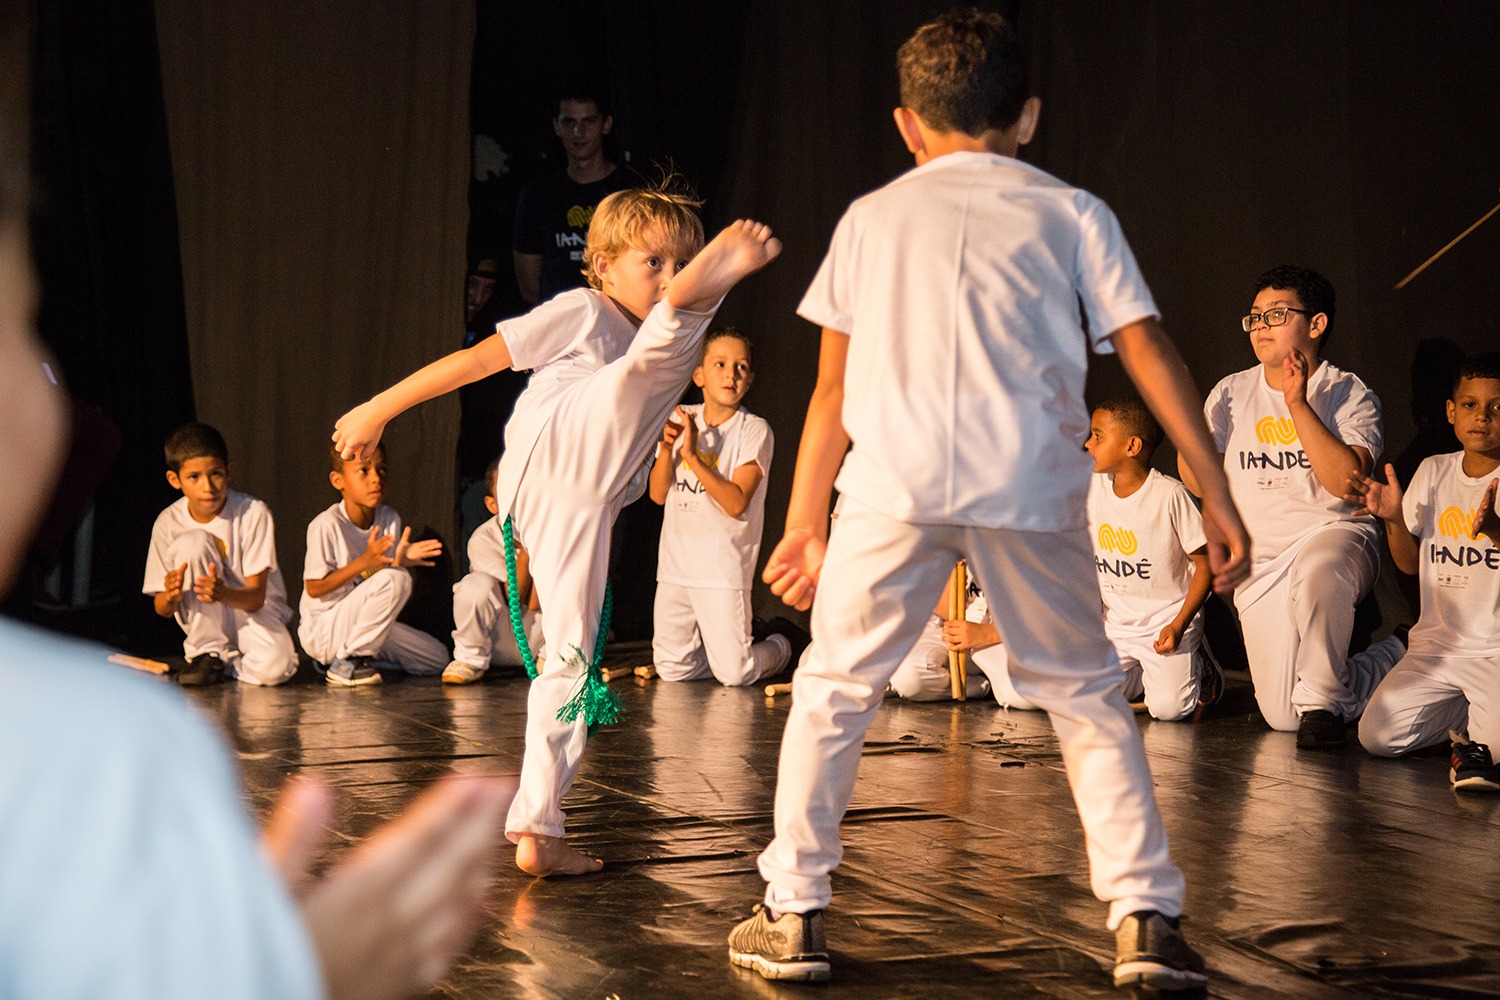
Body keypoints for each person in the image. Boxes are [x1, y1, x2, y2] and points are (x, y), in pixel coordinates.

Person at [727, 10, 1249, 991]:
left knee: (837, 690)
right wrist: (1213, 489)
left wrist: (802, 521)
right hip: (1032, 485)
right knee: (1089, 697)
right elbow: (1146, 349)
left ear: (907, 126)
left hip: (894, 484)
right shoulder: (1074, 212)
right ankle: (1144, 919)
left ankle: (793, 912)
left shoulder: (871, 218)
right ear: (1031, 117)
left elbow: (831, 390)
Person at [0, 89, 511, 1000]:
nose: (44, 398)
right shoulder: (100, 745)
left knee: (412, 648)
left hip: (273, 623)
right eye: (21, 344)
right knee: (321, 638)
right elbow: (284, 589)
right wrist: (293, 970)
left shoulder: (271, 513)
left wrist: (258, 579)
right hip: (302, 624)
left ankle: (382, 663)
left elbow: (265, 592)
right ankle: (335, 663)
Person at [332, 189, 781, 877]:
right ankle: (707, 295)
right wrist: (378, 409)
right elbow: (479, 361)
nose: (662, 274)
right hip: (557, 444)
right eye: (653, 261)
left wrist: (648, 442)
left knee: (569, 656)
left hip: (579, 498)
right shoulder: (583, 309)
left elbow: (642, 472)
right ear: (599, 266)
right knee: (658, 356)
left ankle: (539, 824)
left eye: (680, 263)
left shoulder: (646, 361)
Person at [1180, 265, 1405, 747]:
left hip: (1335, 539)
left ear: (1316, 324)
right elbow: (1199, 480)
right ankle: (1396, 655)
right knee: (1283, 715)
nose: (1260, 326)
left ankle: (1324, 703)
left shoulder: (1347, 391)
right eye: (1255, 317)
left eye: (1276, 315)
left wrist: (1298, 403)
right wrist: (1185, 425)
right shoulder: (1231, 391)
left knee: (1320, 568)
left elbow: (1346, 483)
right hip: (1260, 560)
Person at [1348, 353, 1500, 789]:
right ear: (1451, 411)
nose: (1482, 417)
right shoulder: (1433, 470)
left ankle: (1477, 726)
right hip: (1436, 648)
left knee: (1489, 756)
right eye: (1470, 405)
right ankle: (1461, 715)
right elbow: (1407, 563)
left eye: (1496, 407)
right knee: (1376, 736)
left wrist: (1494, 530)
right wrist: (1394, 519)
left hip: (1492, 651)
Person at [647, 328, 789, 686]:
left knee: (736, 674)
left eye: (741, 367)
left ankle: (785, 643)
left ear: (750, 379)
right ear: (700, 375)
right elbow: (658, 495)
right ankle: (720, 653)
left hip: (721, 567)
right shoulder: (681, 418)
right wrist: (666, 450)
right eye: (721, 364)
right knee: (672, 668)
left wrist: (692, 457)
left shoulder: (754, 430)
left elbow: (736, 503)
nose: (731, 374)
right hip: (677, 565)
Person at [1086, 397, 1220, 721]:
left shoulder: (1169, 495)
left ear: (1132, 446)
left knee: (1169, 710)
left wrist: (1179, 624)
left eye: (1098, 436)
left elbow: (1205, 563)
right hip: (1116, 624)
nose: (1088, 444)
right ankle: (1135, 677)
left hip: (1165, 623)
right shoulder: (1093, 487)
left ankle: (1201, 667)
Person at [142, 423, 298, 687]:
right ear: (174, 480)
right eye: (194, 477)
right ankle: (208, 652)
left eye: (215, 474)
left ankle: (223, 665)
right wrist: (171, 595)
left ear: (228, 471)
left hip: (250, 612)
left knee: (277, 667)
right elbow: (162, 608)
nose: (208, 487)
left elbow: (256, 597)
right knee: (193, 542)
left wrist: (221, 593)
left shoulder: (252, 512)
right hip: (206, 617)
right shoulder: (168, 522)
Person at [298, 444, 448, 686]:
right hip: (325, 630)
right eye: (364, 471)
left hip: (362, 624)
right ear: (338, 481)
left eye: (382, 469)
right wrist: (364, 561)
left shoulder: (389, 518)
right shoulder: (326, 525)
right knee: (398, 579)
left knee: (436, 659)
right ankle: (347, 661)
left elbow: (381, 586)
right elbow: (314, 588)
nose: (376, 478)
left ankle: (358, 655)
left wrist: (401, 560)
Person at [512, 85, 637, 305]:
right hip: (557, 325)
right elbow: (529, 286)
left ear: (606, 124)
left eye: (588, 121)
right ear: (556, 127)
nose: (578, 133)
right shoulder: (538, 194)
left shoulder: (631, 191)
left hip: (620, 321)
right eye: (569, 122)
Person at [443, 459, 545, 684]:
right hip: (499, 641)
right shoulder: (483, 538)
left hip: (540, 641)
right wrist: (527, 549)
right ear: (493, 505)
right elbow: (515, 598)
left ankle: (556, 661)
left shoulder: (551, 531)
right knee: (474, 585)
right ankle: (470, 659)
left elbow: (537, 603)